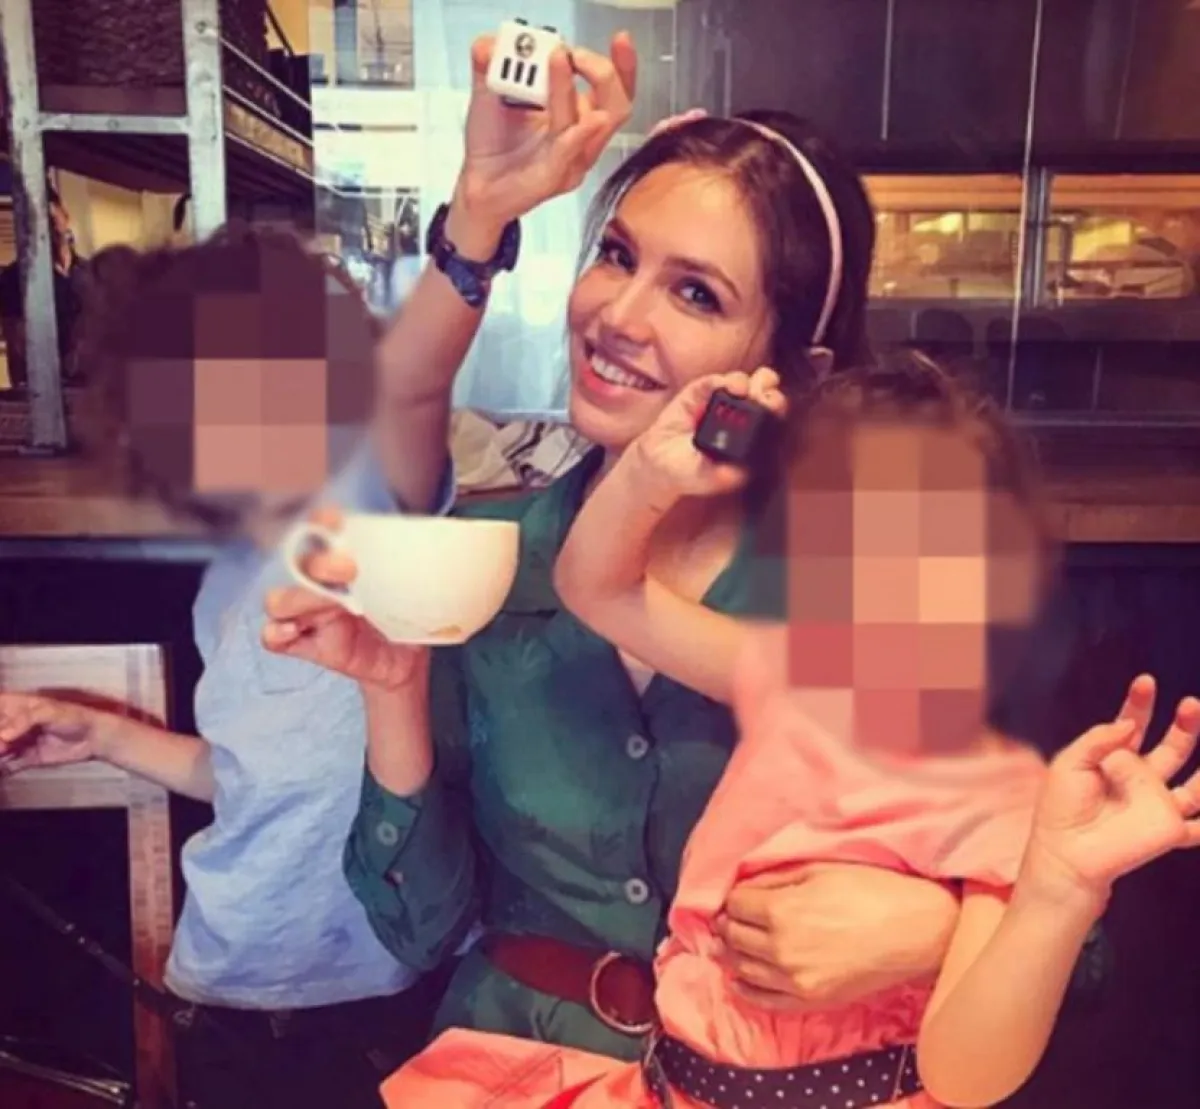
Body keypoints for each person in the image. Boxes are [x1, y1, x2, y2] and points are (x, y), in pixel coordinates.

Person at [260, 43, 967, 1066]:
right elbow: (418, 929)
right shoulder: (486, 564)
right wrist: (394, 691)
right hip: (514, 1064)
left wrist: (935, 929)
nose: (617, 317)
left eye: (697, 295)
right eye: (619, 256)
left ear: (798, 373)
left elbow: (1068, 917)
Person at [371, 352, 1200, 1109]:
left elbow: (966, 1073)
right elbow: (596, 586)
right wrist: (654, 471)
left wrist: (1058, 891)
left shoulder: (999, 797)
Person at [0, 226, 463, 1109]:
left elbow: (422, 382)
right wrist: (98, 731)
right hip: (224, 984)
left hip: (372, 999)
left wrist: (471, 243)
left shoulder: (371, 522)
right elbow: (245, 771)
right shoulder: (224, 583)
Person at [0, 184, 89, 392]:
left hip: (90, 388)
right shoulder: (15, 278)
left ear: (64, 215)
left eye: (50, 217)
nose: (46, 227)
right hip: (48, 392)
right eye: (35, 221)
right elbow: (17, 347)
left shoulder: (91, 273)